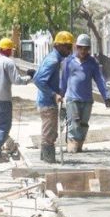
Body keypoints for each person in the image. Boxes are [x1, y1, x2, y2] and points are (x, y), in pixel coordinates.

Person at [58, 34, 110, 153]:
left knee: (83, 124)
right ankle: (72, 145)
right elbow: (64, 80)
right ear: (76, 47)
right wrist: (60, 94)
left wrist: (106, 96)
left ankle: (79, 145)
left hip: (87, 99)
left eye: (86, 48)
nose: (83, 50)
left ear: (89, 49)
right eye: (81, 47)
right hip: (72, 98)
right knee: (74, 122)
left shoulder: (92, 63)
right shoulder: (69, 62)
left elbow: (99, 80)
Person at [0, 37, 31, 163]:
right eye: (11, 50)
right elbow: (17, 80)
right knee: (4, 127)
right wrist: (29, 77)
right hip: (2, 100)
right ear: (7, 50)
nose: (12, 53)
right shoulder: (8, 63)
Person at [33, 31, 75, 163]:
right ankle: (48, 161)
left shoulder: (54, 58)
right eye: (67, 47)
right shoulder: (53, 60)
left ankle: (44, 158)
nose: (70, 51)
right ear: (58, 46)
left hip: (47, 102)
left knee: (49, 133)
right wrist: (54, 94)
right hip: (47, 103)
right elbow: (38, 80)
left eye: (70, 47)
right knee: (49, 134)